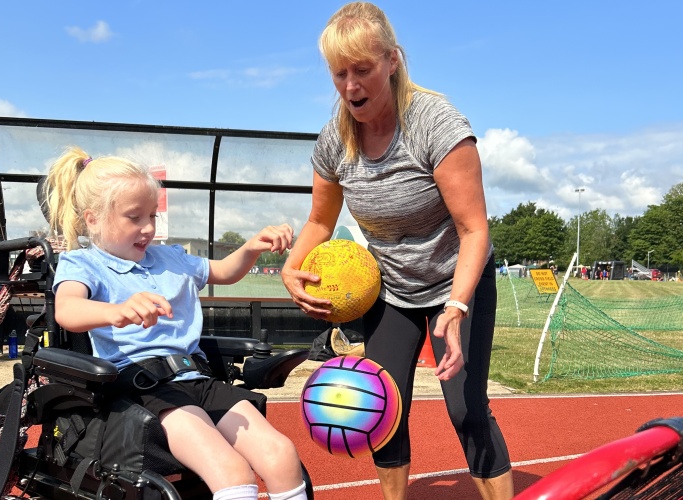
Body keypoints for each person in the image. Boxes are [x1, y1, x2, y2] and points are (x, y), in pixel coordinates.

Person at [280, 3, 513, 499]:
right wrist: (290, 266)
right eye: (339, 74)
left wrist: (456, 307)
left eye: (362, 70)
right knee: (382, 404)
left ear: (392, 60)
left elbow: (475, 230)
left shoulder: (435, 124)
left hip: (459, 280)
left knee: (465, 407)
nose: (350, 86)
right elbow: (320, 221)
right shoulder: (333, 141)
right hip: (392, 289)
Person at [45, 147, 308, 500]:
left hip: (199, 379)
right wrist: (115, 311)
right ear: (93, 220)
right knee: (232, 472)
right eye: (134, 217)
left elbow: (224, 272)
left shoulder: (171, 257)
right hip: (145, 389)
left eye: (152, 215)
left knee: (281, 455)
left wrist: (252, 247)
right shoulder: (83, 264)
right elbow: (68, 311)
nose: (148, 228)